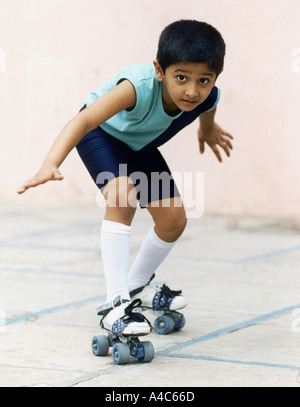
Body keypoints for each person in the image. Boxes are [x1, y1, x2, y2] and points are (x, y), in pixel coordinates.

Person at [18, 20, 233, 338]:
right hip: (99, 136)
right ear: (160, 70)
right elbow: (85, 119)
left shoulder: (207, 96)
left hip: (138, 147)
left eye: (204, 80)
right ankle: (114, 305)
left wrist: (207, 128)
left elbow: (210, 105)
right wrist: (51, 162)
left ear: (215, 77)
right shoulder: (137, 87)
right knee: (122, 196)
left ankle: (135, 288)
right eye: (182, 77)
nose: (192, 90)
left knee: (174, 220)